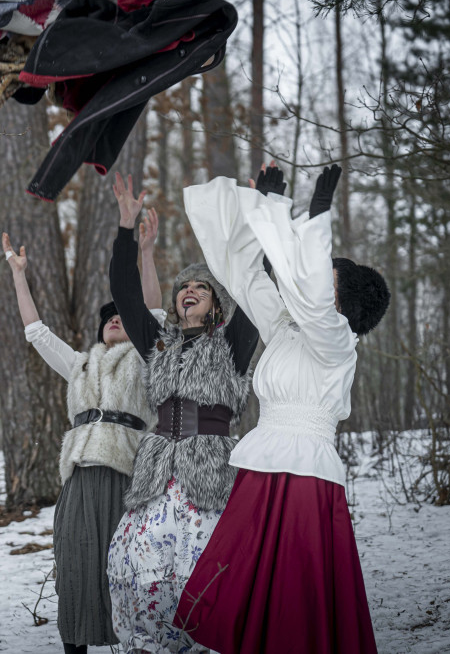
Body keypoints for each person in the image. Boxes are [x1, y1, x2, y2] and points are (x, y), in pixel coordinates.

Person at [173, 164, 389, 653]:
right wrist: (261, 209)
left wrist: (309, 215)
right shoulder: (286, 328)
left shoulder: (338, 343)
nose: (309, 281)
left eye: (325, 279)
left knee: (295, 598)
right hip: (262, 469)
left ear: (344, 304)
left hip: (305, 480)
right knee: (247, 591)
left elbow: (312, 300)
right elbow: (245, 277)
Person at [104, 172, 260, 654]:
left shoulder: (231, 344)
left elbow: (258, 284)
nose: (189, 290)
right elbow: (125, 290)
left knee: (207, 574)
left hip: (210, 473)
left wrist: (252, 218)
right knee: (138, 572)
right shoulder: (158, 345)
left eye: (202, 287)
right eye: (183, 286)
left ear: (217, 304)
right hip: (156, 473)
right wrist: (126, 228)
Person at [2, 232, 163, 654]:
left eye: (123, 317)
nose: (115, 319)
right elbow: (36, 333)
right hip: (77, 478)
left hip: (126, 477)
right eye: (109, 318)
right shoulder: (79, 364)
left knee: (125, 566)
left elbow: (155, 311)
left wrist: (145, 252)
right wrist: (19, 276)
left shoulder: (149, 359)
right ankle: (76, 646)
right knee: (74, 565)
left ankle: (133, 642)